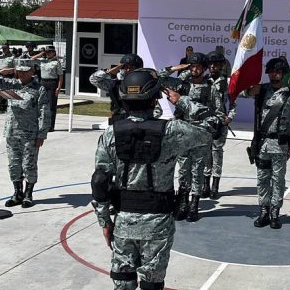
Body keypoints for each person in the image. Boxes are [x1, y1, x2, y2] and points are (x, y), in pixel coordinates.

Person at [90, 68, 218, 290]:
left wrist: (105, 221)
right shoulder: (171, 131)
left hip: (124, 221)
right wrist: (183, 101)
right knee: (152, 283)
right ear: (154, 99)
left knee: (123, 281)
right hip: (157, 223)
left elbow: (100, 180)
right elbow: (213, 126)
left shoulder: (111, 134)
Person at [239, 58, 290, 229]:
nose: (274, 75)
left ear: (283, 74)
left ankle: (275, 212)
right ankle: (263, 210)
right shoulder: (260, 90)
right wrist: (249, 90)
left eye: (278, 72)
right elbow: (237, 91)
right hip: (262, 143)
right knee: (262, 179)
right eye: (271, 72)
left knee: (278, 180)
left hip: (280, 144)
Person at [160, 53, 224, 222]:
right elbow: (158, 78)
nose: (195, 69)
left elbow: (218, 112)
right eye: (192, 66)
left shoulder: (211, 88)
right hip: (182, 133)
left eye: (198, 67)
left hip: (200, 134)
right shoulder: (181, 85)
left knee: (197, 170)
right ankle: (183, 203)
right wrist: (175, 68)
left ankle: (194, 204)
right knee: (183, 170)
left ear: (204, 69)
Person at [0, 58, 50, 208]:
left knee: (29, 165)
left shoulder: (39, 89)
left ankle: (28, 194)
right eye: (19, 71)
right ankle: (17, 193)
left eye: (24, 71)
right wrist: (0, 72)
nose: (21, 74)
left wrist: (42, 134)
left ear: (32, 72)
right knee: (14, 164)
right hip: (12, 132)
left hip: (30, 134)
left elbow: (44, 112)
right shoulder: (10, 84)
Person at [89, 54, 161, 124]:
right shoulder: (115, 84)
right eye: (125, 67)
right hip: (120, 122)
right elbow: (94, 79)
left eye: (132, 67)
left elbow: (157, 111)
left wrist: (139, 118)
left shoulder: (146, 84)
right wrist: (109, 72)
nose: (128, 70)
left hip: (141, 122)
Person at [203, 51, 236, 199]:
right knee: (205, 153)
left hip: (220, 123)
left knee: (217, 153)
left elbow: (233, 102)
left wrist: (230, 116)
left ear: (221, 65)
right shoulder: (204, 81)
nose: (212, 66)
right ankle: (205, 185)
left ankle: (215, 186)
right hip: (205, 123)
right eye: (210, 64)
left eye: (215, 64)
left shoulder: (226, 82)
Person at [39, 46, 63, 131]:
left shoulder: (56, 62)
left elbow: (60, 76)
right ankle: (42, 124)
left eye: (49, 52)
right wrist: (42, 53)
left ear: (53, 52)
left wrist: (59, 87)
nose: (48, 53)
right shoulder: (42, 60)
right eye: (47, 52)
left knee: (51, 106)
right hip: (43, 83)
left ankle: (51, 126)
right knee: (41, 104)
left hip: (52, 83)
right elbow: (31, 59)